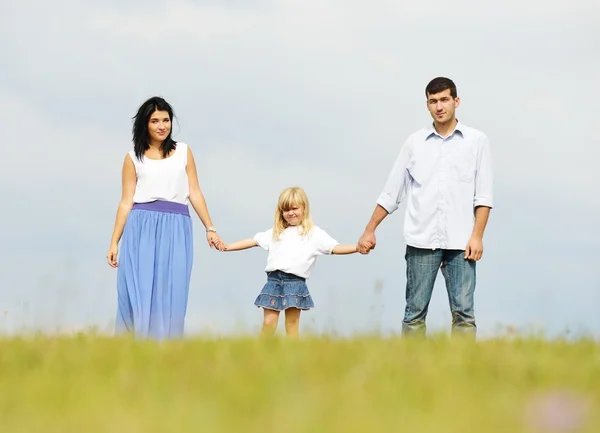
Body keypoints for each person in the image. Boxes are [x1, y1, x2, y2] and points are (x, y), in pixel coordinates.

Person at [357, 77, 494, 337]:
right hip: (421, 241)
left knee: (464, 314)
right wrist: (369, 229)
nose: (439, 106)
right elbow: (392, 191)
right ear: (427, 105)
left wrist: (477, 236)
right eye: (433, 101)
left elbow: (484, 196)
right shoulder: (414, 143)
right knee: (414, 314)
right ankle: (414, 371)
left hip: (461, 242)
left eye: (444, 100)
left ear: (456, 101)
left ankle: (463, 372)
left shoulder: (477, 141)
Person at [106, 96, 225, 340]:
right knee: (139, 289)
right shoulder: (132, 158)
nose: (162, 126)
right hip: (142, 225)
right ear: (145, 124)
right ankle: (133, 348)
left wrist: (209, 227)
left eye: (166, 120)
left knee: (173, 288)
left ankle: (167, 349)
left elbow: (194, 191)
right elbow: (126, 201)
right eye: (155, 121)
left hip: (177, 225)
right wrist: (114, 241)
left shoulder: (183, 151)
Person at [222, 186, 363, 338]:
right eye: (286, 209)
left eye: (294, 208)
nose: (290, 213)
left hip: (295, 283)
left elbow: (335, 248)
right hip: (273, 281)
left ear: (304, 208)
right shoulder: (276, 232)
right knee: (268, 323)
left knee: (291, 325)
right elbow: (252, 241)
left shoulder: (313, 233)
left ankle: (293, 356)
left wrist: (357, 247)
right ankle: (261, 355)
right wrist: (227, 246)